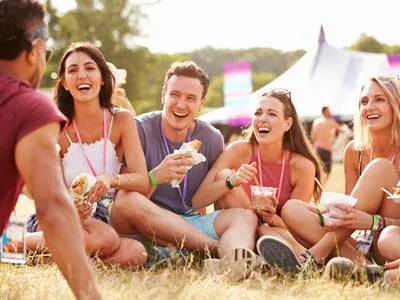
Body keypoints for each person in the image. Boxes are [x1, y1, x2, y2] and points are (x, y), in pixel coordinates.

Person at [110, 61, 259, 272]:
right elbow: (123, 198)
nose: (181, 105)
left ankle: (233, 260)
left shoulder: (211, 138)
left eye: (191, 98)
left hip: (189, 224)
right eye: (175, 95)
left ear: (201, 103)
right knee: (127, 198)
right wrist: (156, 176)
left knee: (244, 216)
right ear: (164, 94)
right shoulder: (139, 129)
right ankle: (217, 252)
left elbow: (213, 200)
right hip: (145, 227)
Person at [0, 1, 100, 299]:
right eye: (47, 53)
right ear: (34, 49)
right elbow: (53, 207)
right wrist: (90, 295)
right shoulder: (29, 106)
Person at [257, 74, 400, 275]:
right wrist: (329, 212)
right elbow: (349, 213)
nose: (369, 107)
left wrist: (373, 222)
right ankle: (365, 269)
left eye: (380, 99)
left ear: (396, 103)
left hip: (390, 240)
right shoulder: (354, 152)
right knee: (292, 209)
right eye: (364, 102)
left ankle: (313, 257)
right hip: (360, 244)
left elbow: (361, 219)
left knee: (381, 169)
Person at [25, 42, 148, 267]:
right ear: (64, 83)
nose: (81, 75)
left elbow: (142, 179)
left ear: (102, 78)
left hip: (101, 217)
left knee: (136, 252)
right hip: (59, 214)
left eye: (90, 68)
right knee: (107, 238)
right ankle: (12, 243)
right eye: (73, 70)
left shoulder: (122, 120)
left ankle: (38, 255)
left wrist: (111, 179)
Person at [192, 89, 324, 272]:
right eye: (258, 113)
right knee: (224, 176)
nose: (262, 118)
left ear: (288, 123)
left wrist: (271, 218)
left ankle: (305, 264)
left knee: (266, 232)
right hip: (238, 233)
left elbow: (297, 224)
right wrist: (233, 181)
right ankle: (258, 258)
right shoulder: (238, 151)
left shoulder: (302, 166)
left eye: (272, 113)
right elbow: (198, 199)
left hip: (276, 234)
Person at [311, 106, 343, 177]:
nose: (330, 113)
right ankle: (321, 185)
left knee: (318, 170)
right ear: (325, 112)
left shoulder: (316, 121)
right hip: (326, 149)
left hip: (317, 149)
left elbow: (312, 136)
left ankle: (318, 185)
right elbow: (342, 130)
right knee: (327, 170)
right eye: (329, 111)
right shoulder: (330, 121)